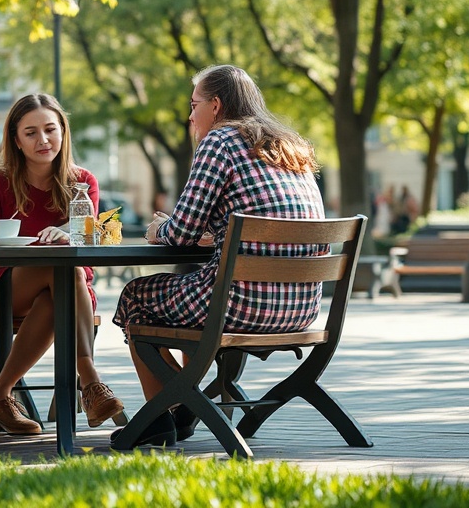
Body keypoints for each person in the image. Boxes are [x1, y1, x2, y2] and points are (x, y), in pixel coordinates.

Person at [111, 65, 326, 449]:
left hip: (239, 304)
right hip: (301, 307)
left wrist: (157, 229)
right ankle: (184, 405)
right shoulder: (289, 146)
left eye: (194, 105)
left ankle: (161, 416)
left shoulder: (220, 141)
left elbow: (181, 233)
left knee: (136, 297)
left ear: (216, 105)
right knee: (185, 292)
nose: (190, 116)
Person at [0, 93, 125, 435]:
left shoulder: (82, 183)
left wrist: (68, 233)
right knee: (61, 270)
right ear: (16, 140)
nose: (43, 140)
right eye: (31, 132)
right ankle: (91, 381)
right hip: (3, 289)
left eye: (51, 129)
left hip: (69, 290)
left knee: (60, 284)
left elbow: (89, 239)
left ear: (63, 132)